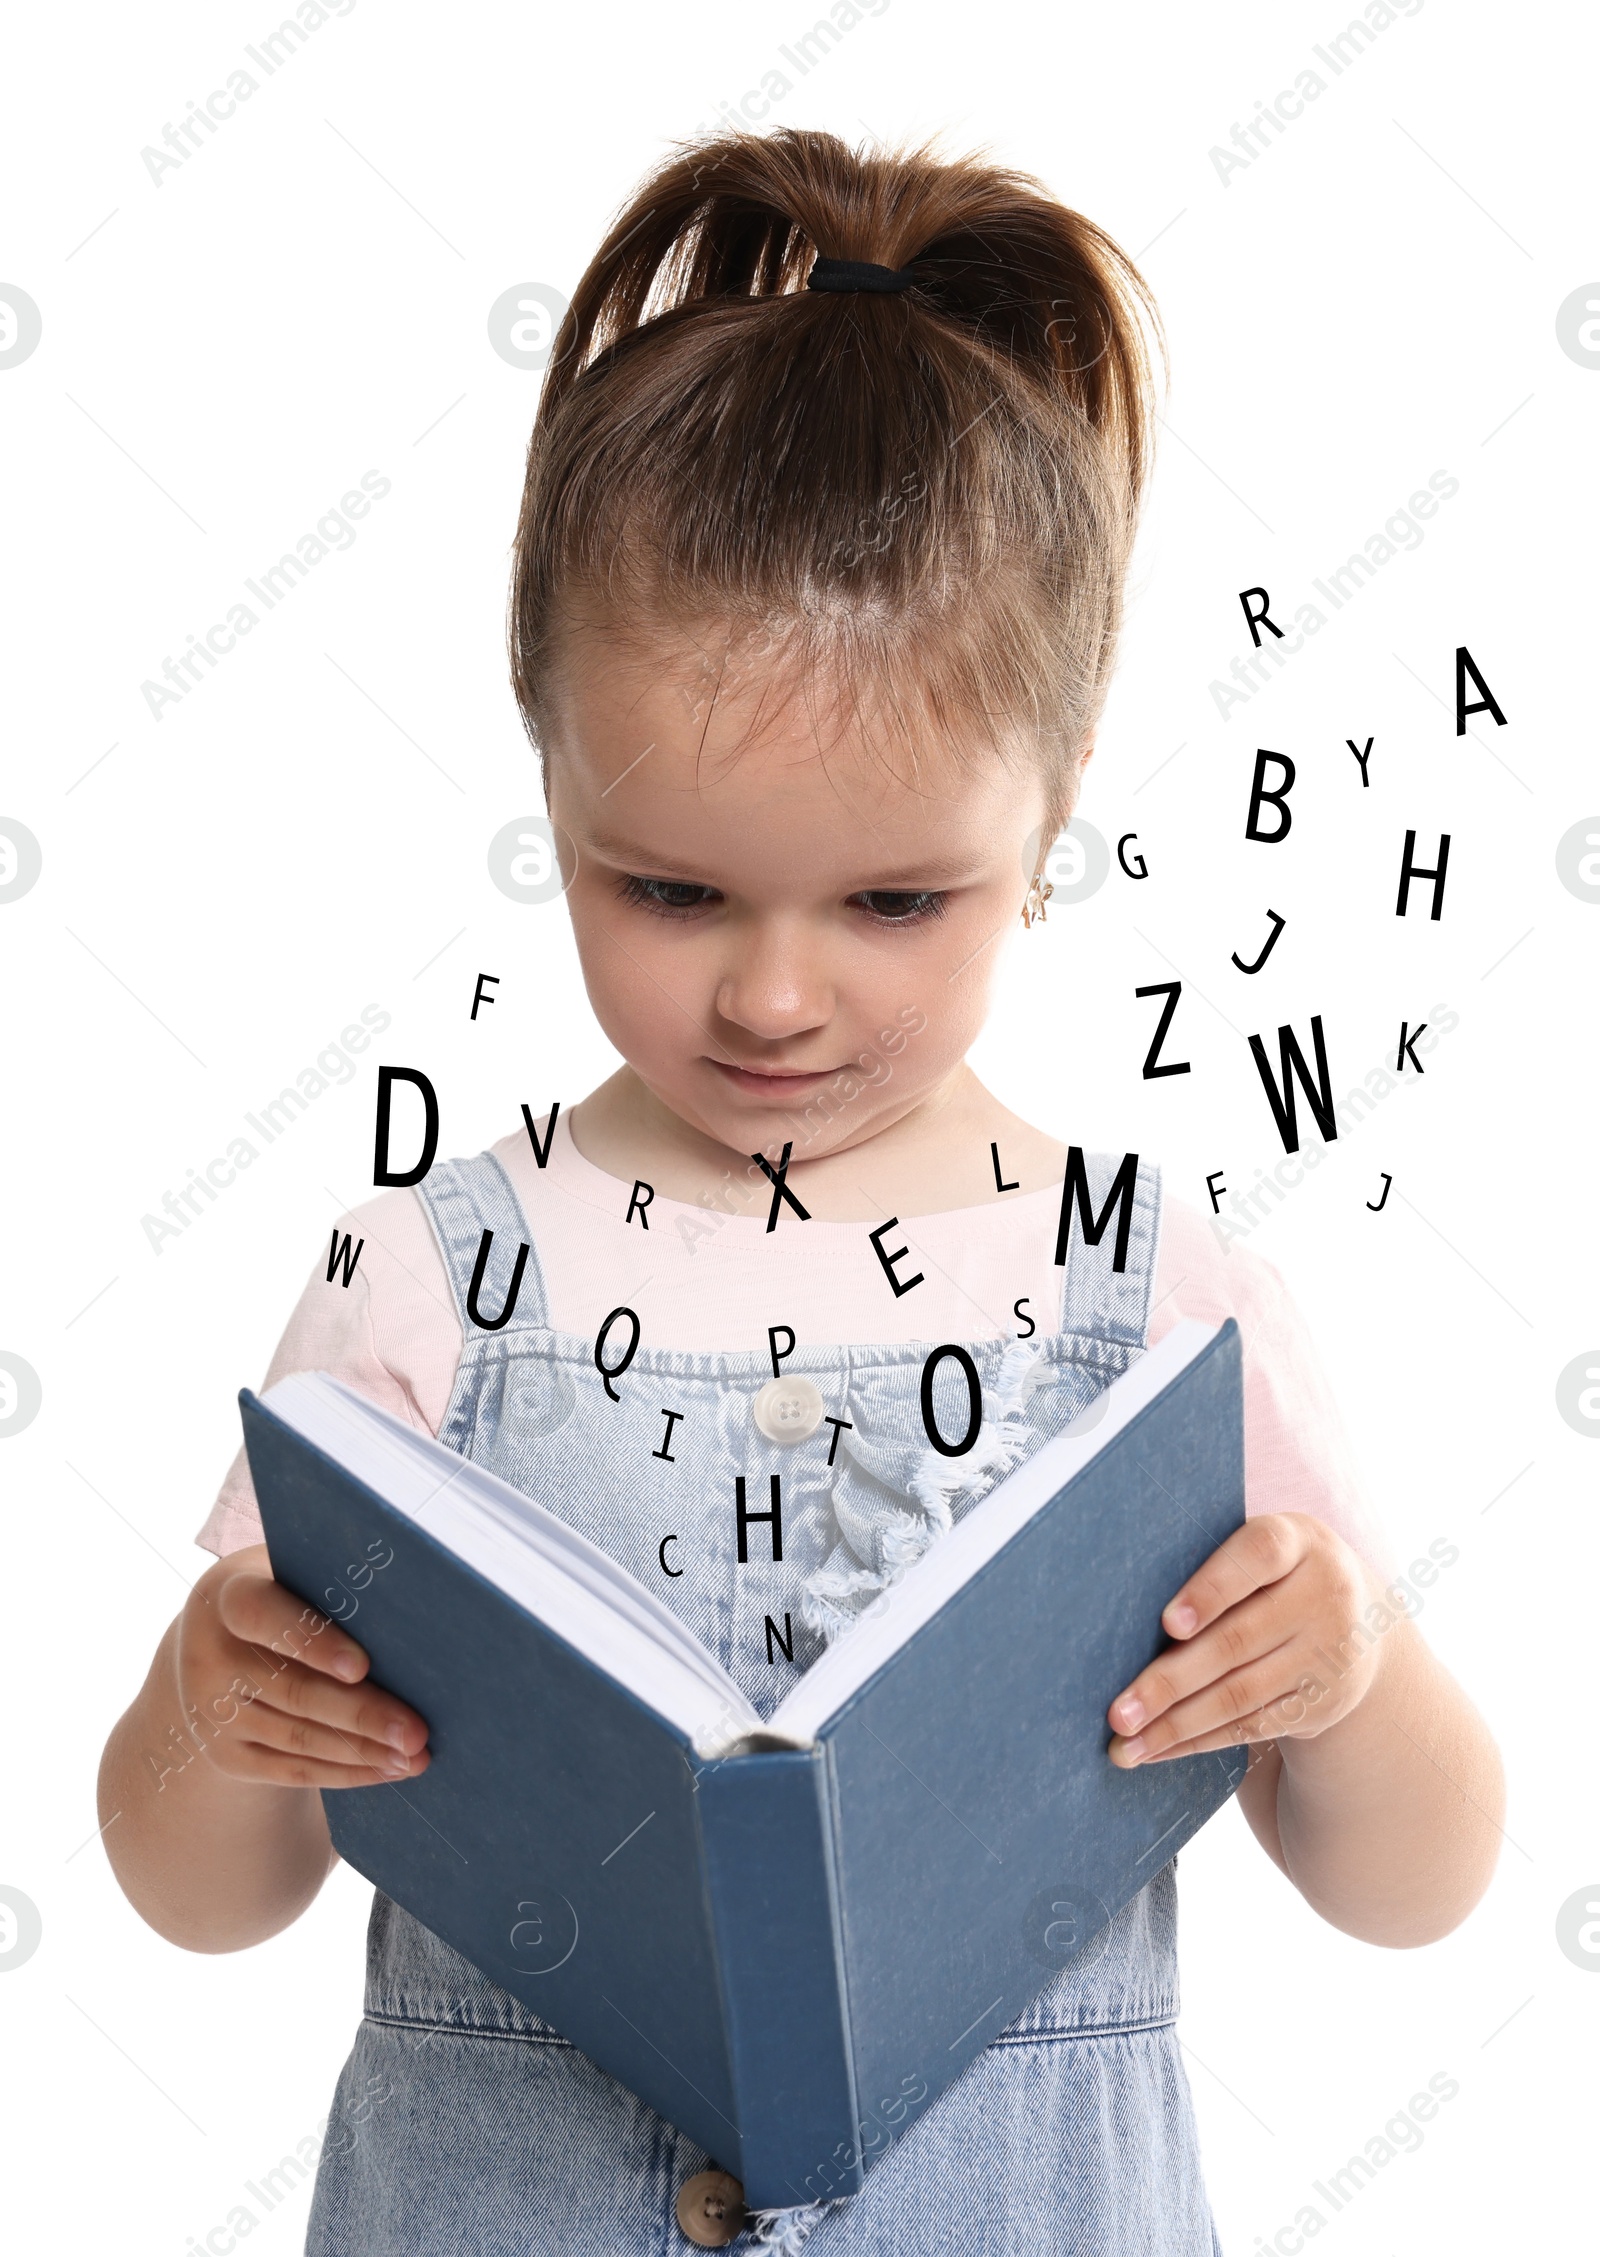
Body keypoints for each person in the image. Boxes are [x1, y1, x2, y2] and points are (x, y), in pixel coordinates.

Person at [99, 127, 1503, 2255]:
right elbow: (202, 1897)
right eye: (661, 886)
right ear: (546, 769)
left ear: (1051, 797)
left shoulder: (1159, 1296)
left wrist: (1344, 1663)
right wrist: (215, 1709)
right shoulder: (422, 1282)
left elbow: (1412, 1887)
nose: (770, 994)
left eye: (891, 897)